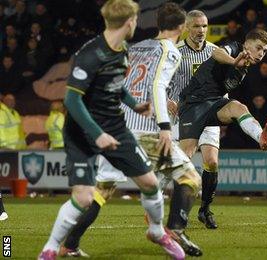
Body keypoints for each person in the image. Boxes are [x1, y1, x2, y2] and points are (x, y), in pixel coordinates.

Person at [38, 1, 185, 259]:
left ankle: (156, 231)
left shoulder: (123, 49)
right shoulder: (89, 55)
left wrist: (134, 105)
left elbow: (116, 86)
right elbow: (72, 101)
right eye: (137, 20)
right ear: (129, 22)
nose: (137, 24)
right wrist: (98, 134)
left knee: (150, 183)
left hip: (115, 127)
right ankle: (50, 249)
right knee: (84, 197)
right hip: (83, 132)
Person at [177, 28, 267, 227]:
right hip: (193, 105)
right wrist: (234, 61)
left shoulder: (245, 68)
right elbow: (216, 53)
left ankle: (262, 138)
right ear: (247, 44)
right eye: (258, 48)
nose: (261, 54)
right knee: (183, 158)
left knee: (237, 110)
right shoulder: (234, 48)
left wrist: (239, 66)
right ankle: (159, 199)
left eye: (264, 51)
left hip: (215, 104)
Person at [169, 10, 250, 230]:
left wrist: (222, 111)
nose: (201, 31)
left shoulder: (216, 51)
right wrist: (167, 100)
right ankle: (174, 210)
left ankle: (205, 209)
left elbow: (223, 84)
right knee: (183, 161)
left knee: (212, 162)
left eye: (204, 26)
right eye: (196, 26)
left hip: (211, 110)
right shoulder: (175, 52)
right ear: (186, 27)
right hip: (185, 113)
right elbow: (162, 81)